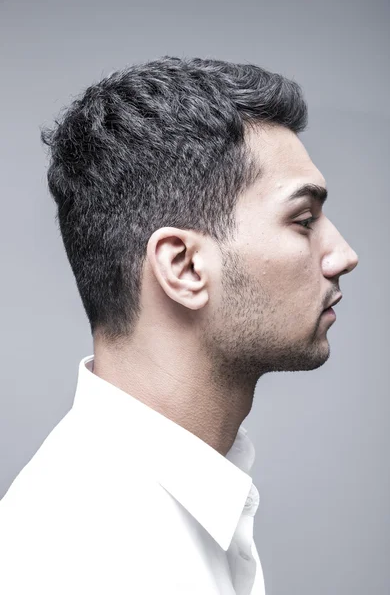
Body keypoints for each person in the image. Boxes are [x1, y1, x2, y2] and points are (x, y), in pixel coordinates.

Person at [0, 56, 358, 594]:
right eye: (303, 220)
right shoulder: (76, 560)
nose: (343, 255)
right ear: (184, 267)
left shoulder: (183, 497)